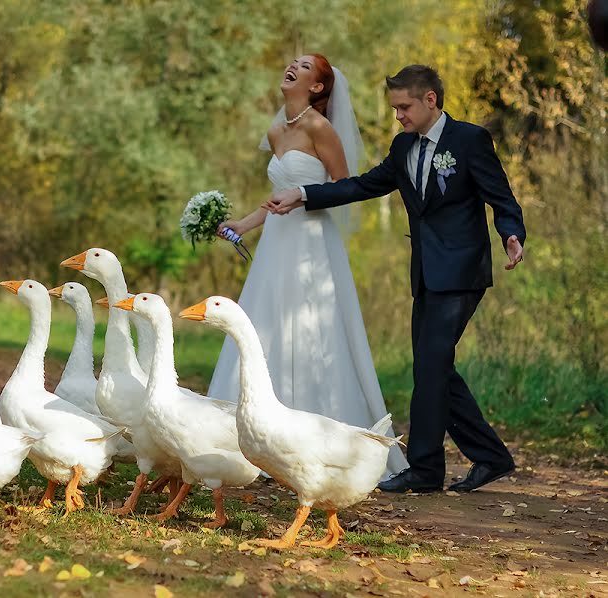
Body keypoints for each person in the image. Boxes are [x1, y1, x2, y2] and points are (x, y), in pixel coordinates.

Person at [267, 64, 526, 493]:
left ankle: (424, 471)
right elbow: (365, 185)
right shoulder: (402, 146)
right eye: (394, 108)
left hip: (462, 270)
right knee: (435, 367)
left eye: (404, 107)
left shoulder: (470, 140)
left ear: (430, 100)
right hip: (424, 271)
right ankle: (490, 456)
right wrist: (305, 194)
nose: (398, 116)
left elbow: (500, 195)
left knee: (430, 364)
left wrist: (511, 233)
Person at [211, 53, 408, 477]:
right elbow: (277, 195)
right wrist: (242, 225)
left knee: (311, 330)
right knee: (265, 327)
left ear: (317, 87)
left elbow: (344, 188)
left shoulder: (321, 129)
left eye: (303, 66)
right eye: (292, 62)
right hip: (276, 244)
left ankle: (323, 445)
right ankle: (251, 443)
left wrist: (303, 193)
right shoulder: (275, 129)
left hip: (311, 243)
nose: (291, 66)